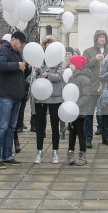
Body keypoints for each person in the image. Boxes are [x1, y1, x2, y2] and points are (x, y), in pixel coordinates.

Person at [0, 31, 32, 169]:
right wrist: (17, 65)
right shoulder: (4, 50)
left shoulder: (18, 53)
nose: (21, 45)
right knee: (2, 127)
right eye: (20, 42)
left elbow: (21, 72)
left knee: (11, 128)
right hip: (5, 96)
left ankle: (7, 156)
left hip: (16, 95)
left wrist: (28, 68)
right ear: (13, 40)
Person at [32, 36, 65, 165]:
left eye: (51, 44)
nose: (48, 46)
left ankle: (55, 151)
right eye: (46, 44)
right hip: (40, 97)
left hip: (55, 97)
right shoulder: (39, 60)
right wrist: (35, 73)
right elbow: (34, 74)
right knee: (40, 126)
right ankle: (39, 151)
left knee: (54, 125)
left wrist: (47, 75)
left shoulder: (60, 61)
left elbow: (60, 76)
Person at [82, 30, 108, 148]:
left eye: (104, 37)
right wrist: (95, 59)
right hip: (92, 87)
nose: (102, 39)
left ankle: (106, 137)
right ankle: (88, 139)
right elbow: (83, 66)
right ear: (96, 39)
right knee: (89, 114)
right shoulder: (88, 51)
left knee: (106, 113)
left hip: (106, 88)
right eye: (100, 37)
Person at [66, 55, 92, 166]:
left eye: (71, 64)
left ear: (77, 66)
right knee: (72, 132)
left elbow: (86, 96)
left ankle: (83, 155)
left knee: (81, 133)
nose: (69, 65)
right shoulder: (71, 78)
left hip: (80, 111)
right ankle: (70, 152)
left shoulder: (84, 79)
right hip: (71, 110)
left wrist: (76, 106)